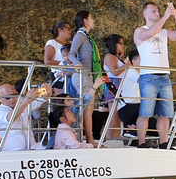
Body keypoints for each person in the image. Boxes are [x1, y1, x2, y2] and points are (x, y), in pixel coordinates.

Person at [134, 1, 176, 148]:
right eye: (153, 11)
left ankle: (164, 142)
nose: (157, 13)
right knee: (145, 112)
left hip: (164, 76)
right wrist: (165, 17)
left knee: (165, 112)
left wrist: (175, 16)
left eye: (158, 11)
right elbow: (149, 33)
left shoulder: (163, 32)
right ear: (145, 14)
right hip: (148, 76)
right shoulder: (139, 30)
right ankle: (142, 142)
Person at [70, 10, 102, 144]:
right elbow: (72, 53)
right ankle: (88, 139)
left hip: (88, 74)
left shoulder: (86, 36)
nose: (93, 21)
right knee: (86, 108)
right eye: (91, 18)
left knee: (89, 108)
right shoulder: (80, 35)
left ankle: (88, 139)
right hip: (83, 74)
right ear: (85, 21)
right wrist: (78, 64)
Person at [0, 82, 51, 151]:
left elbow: (44, 98)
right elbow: (10, 118)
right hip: (12, 152)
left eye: (14, 95)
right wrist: (26, 101)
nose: (12, 99)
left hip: (31, 148)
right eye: (7, 97)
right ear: (0, 99)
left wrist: (47, 90)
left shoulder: (22, 103)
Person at [102, 34, 129, 138]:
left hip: (120, 86)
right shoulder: (109, 56)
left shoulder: (117, 57)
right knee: (113, 116)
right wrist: (127, 65)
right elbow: (114, 72)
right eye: (120, 43)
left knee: (117, 116)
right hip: (112, 86)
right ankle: (109, 140)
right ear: (114, 44)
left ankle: (117, 139)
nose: (123, 46)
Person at [44, 21, 73, 95]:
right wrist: (63, 64)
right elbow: (47, 61)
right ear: (59, 30)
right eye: (68, 29)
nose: (70, 31)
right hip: (59, 74)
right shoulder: (52, 43)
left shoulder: (71, 43)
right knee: (61, 98)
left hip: (72, 74)